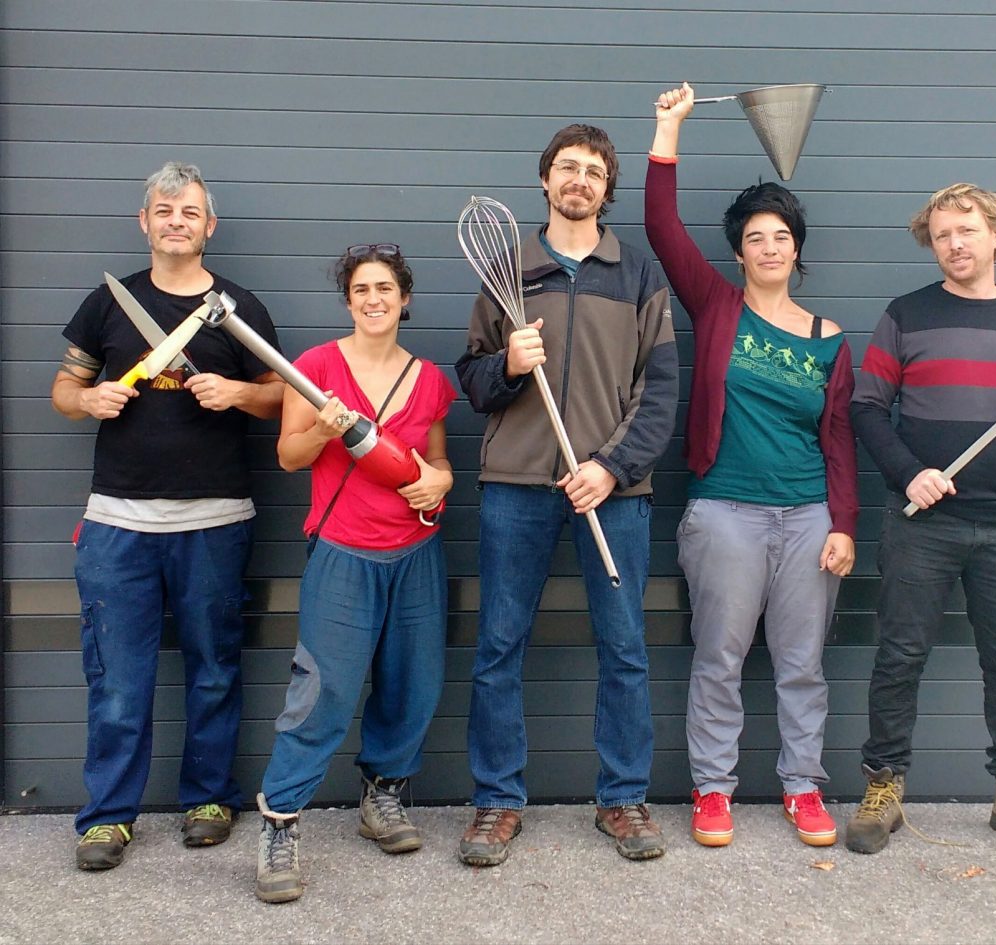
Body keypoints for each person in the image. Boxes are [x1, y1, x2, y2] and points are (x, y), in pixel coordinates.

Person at [455, 123, 679, 865]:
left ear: (607, 188)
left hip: (613, 490)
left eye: (592, 170)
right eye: (566, 168)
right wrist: (510, 366)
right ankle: (496, 800)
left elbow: (661, 390)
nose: (579, 179)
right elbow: (474, 380)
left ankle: (623, 798)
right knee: (498, 645)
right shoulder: (505, 269)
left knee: (624, 646)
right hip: (517, 484)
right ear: (544, 181)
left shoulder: (639, 273)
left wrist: (611, 466)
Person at [51, 161, 284, 870]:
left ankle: (210, 798)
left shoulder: (240, 305)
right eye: (164, 210)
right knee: (118, 676)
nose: (176, 220)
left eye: (189, 211)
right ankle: (108, 817)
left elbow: (283, 394)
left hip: (215, 519)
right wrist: (86, 401)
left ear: (209, 226)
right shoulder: (108, 302)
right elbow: (65, 383)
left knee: (215, 667)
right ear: (144, 222)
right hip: (117, 522)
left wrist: (237, 394)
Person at [645, 83, 857, 849]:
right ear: (740, 252)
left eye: (782, 235)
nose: (771, 247)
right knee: (720, 658)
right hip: (725, 513)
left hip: (807, 519)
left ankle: (803, 788)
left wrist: (844, 527)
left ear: (799, 246)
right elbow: (661, 226)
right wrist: (668, 128)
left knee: (802, 664)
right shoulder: (716, 306)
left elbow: (838, 442)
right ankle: (713, 791)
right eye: (757, 238)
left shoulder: (831, 337)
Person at [848, 183, 996, 858]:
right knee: (899, 655)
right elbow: (866, 407)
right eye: (944, 234)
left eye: (968, 230)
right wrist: (906, 471)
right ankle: (884, 785)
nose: (956, 243)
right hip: (923, 522)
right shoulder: (907, 315)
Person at [253, 244, 456, 903]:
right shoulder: (313, 368)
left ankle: (384, 795)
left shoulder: (427, 376)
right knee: (324, 689)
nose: (374, 298)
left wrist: (437, 481)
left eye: (385, 288)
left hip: (416, 552)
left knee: (413, 684)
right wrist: (323, 427)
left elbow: (438, 462)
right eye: (362, 289)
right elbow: (289, 455)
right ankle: (281, 822)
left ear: (405, 299)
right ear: (349, 300)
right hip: (344, 551)